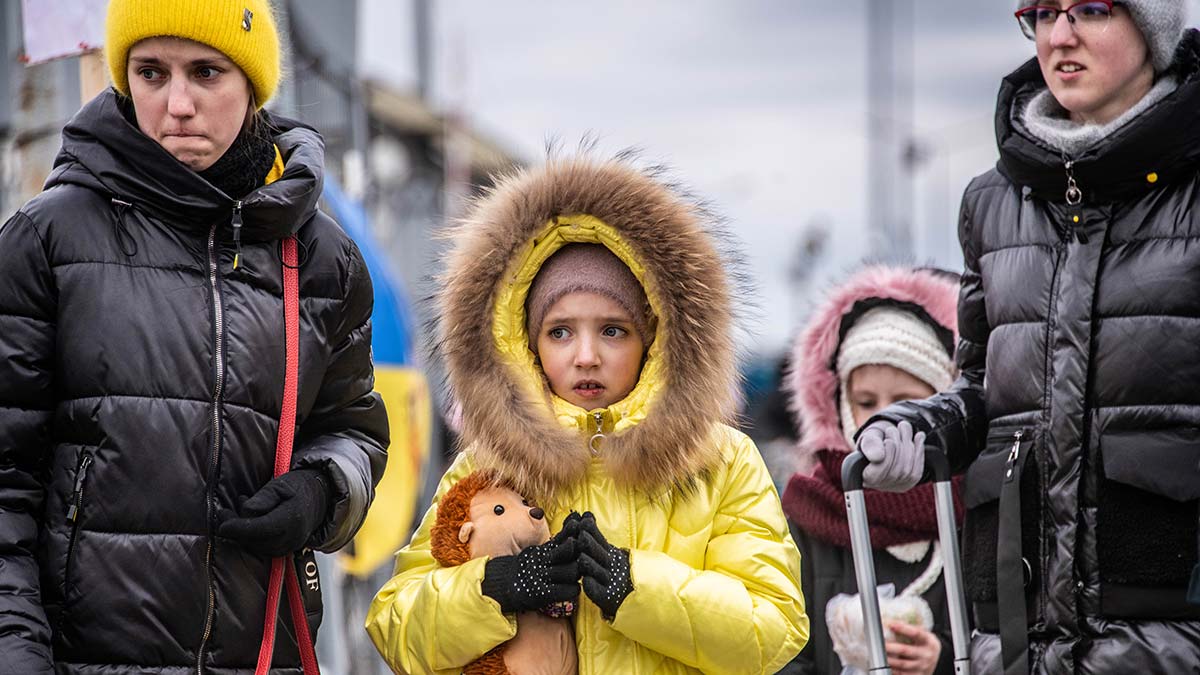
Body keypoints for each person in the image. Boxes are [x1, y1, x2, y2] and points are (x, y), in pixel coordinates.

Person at [0, 1, 389, 672]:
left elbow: (354, 429)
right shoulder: (45, 240)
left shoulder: (324, 259)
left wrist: (324, 488)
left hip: (264, 655)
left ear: (252, 84)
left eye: (205, 72)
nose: (177, 104)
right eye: (150, 73)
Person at [855, 2, 1200, 672]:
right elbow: (983, 392)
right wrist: (918, 430)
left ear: (1152, 27)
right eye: (1042, 13)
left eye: (1091, 10)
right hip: (1014, 644)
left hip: (1168, 644)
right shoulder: (991, 201)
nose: (1060, 36)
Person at [365, 156, 809, 674]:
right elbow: (396, 629)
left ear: (656, 337)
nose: (586, 356)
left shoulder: (723, 463)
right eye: (560, 331)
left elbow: (775, 626)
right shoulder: (485, 468)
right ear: (524, 343)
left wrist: (635, 588)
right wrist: (495, 588)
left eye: (613, 330)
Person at [778, 266, 962, 675]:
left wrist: (943, 660)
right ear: (842, 407)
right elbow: (781, 646)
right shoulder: (811, 511)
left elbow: (1007, 638)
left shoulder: (971, 505)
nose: (882, 421)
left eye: (907, 401)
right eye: (865, 402)